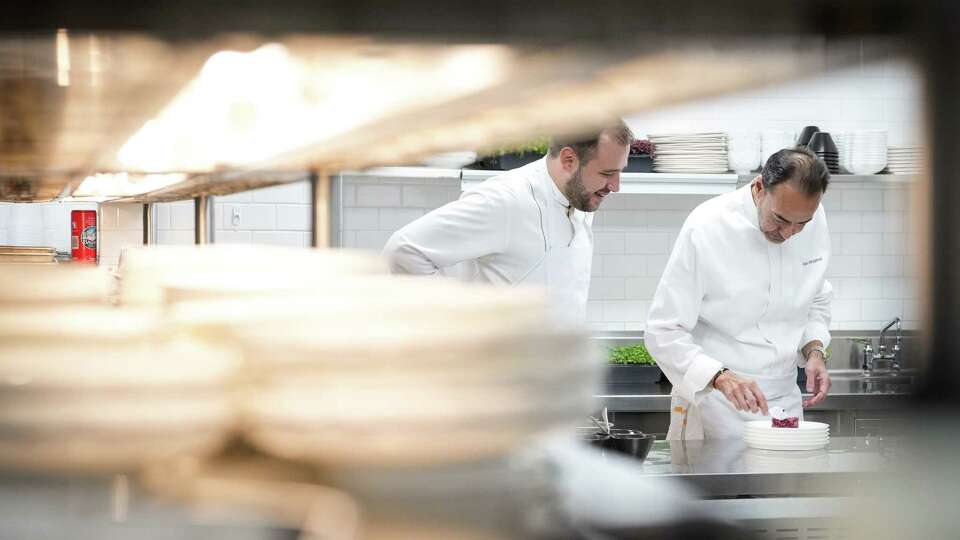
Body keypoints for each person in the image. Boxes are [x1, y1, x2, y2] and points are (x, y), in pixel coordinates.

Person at [645, 146, 833, 440]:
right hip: (716, 404)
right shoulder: (707, 226)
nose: (788, 234)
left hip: (785, 402)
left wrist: (815, 350)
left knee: (782, 485)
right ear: (759, 188)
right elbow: (663, 330)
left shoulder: (813, 216)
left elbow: (816, 297)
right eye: (780, 219)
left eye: (801, 225)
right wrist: (720, 377)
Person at [383, 121, 633, 324]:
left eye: (620, 171)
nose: (616, 186)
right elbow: (404, 250)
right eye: (607, 173)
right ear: (569, 160)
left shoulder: (580, 197)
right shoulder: (506, 199)